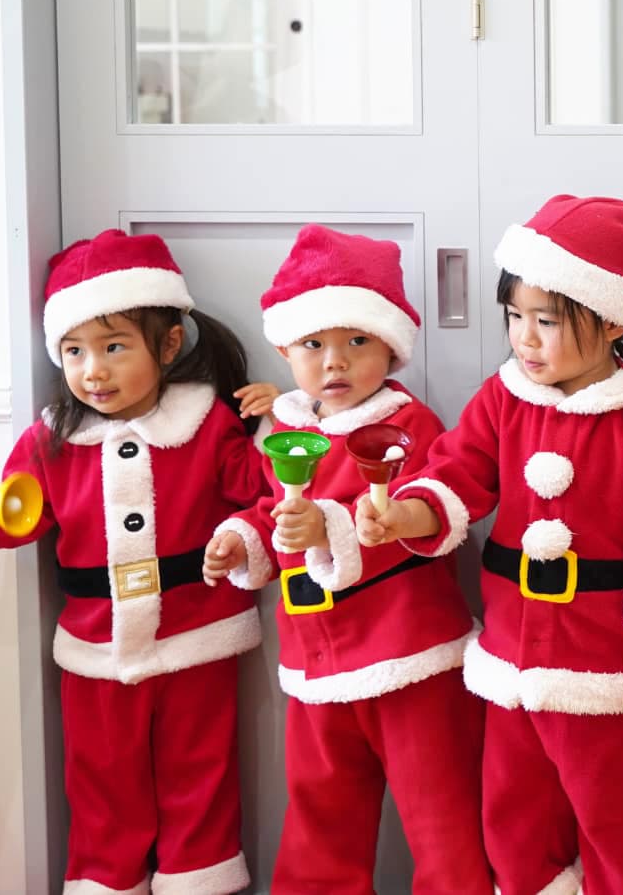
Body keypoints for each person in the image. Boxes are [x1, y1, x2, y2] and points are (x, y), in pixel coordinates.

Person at [357, 195, 623, 895]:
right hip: (510, 658)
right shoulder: (502, 399)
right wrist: (404, 516)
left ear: (611, 320)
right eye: (515, 317)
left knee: (618, 822)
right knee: (513, 820)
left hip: (605, 666)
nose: (525, 338)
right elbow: (455, 476)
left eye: (547, 320)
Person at [0, 230, 263, 894]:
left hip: (197, 636)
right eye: (74, 351)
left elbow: (260, 487)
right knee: (102, 784)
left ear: (168, 345)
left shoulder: (207, 421)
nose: (92, 371)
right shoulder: (53, 437)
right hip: (94, 647)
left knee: (201, 776)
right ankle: (105, 881)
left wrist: (285, 421)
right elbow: (16, 513)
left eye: (113, 347)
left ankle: (201, 881)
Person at [203, 225, 487, 892]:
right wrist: (243, 539)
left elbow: (418, 516)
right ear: (285, 349)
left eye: (356, 341)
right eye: (314, 345)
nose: (335, 362)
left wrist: (329, 528)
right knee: (321, 815)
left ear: (390, 346)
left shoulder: (407, 424)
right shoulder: (287, 430)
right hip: (315, 659)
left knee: (443, 814)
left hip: (409, 653)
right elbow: (273, 508)